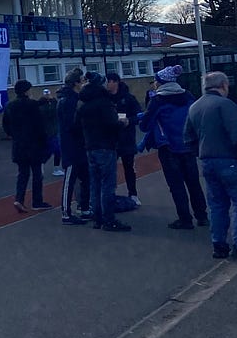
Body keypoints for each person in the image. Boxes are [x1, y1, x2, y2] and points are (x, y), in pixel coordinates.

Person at [185, 71, 237, 263]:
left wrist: (202, 153)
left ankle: (219, 244)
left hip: (208, 161)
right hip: (230, 161)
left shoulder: (194, 106)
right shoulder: (225, 105)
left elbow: (188, 138)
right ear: (224, 85)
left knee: (217, 205)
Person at [140, 65, 207, 232]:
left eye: (156, 80)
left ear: (161, 82)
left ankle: (185, 219)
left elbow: (145, 125)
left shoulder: (157, 100)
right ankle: (202, 215)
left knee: (176, 185)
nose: (154, 83)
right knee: (193, 182)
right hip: (188, 145)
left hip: (168, 147)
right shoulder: (188, 95)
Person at [76, 71, 130, 232]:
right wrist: (123, 123)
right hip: (106, 146)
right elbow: (112, 124)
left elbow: (75, 125)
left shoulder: (83, 104)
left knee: (95, 184)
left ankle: (97, 218)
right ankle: (109, 220)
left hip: (90, 146)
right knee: (107, 184)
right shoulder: (104, 103)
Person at [2, 79, 51, 213]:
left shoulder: (9, 106)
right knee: (37, 174)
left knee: (23, 174)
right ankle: (37, 201)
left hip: (19, 145)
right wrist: (44, 141)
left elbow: (5, 124)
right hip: (34, 144)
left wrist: (13, 134)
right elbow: (40, 126)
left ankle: (19, 199)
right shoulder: (32, 105)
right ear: (26, 91)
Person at [57, 68, 90, 224]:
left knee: (85, 178)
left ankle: (84, 208)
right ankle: (66, 213)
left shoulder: (72, 99)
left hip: (78, 145)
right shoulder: (69, 101)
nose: (84, 83)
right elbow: (71, 125)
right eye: (82, 80)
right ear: (76, 83)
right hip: (71, 146)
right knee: (70, 180)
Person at [105, 72, 142, 208]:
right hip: (110, 140)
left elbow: (139, 115)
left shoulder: (128, 98)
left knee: (129, 168)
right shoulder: (105, 99)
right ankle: (110, 195)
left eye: (108, 81)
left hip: (127, 139)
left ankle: (133, 194)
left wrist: (129, 121)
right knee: (109, 170)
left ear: (115, 82)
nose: (106, 84)